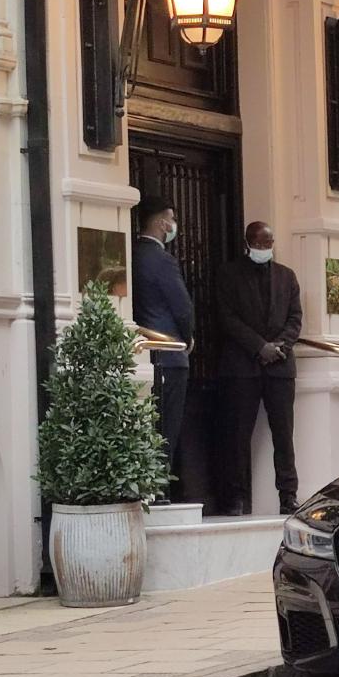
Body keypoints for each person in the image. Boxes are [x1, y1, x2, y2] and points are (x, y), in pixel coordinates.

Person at [216, 221, 302, 515]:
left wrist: (279, 346)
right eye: (259, 244)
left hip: (280, 367)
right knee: (238, 435)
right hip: (242, 367)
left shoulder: (287, 277)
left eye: (268, 244)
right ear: (247, 243)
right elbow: (227, 318)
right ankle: (235, 497)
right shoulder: (228, 275)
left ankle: (288, 495)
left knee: (284, 435)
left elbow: (295, 318)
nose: (264, 249)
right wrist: (258, 346)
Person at [131, 196, 195, 499]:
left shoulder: (130, 254)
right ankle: (160, 490)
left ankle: (150, 487)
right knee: (167, 427)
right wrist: (188, 337)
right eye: (171, 219)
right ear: (161, 223)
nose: (173, 226)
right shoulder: (162, 260)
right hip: (170, 355)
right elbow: (182, 307)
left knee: (146, 424)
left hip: (142, 355)